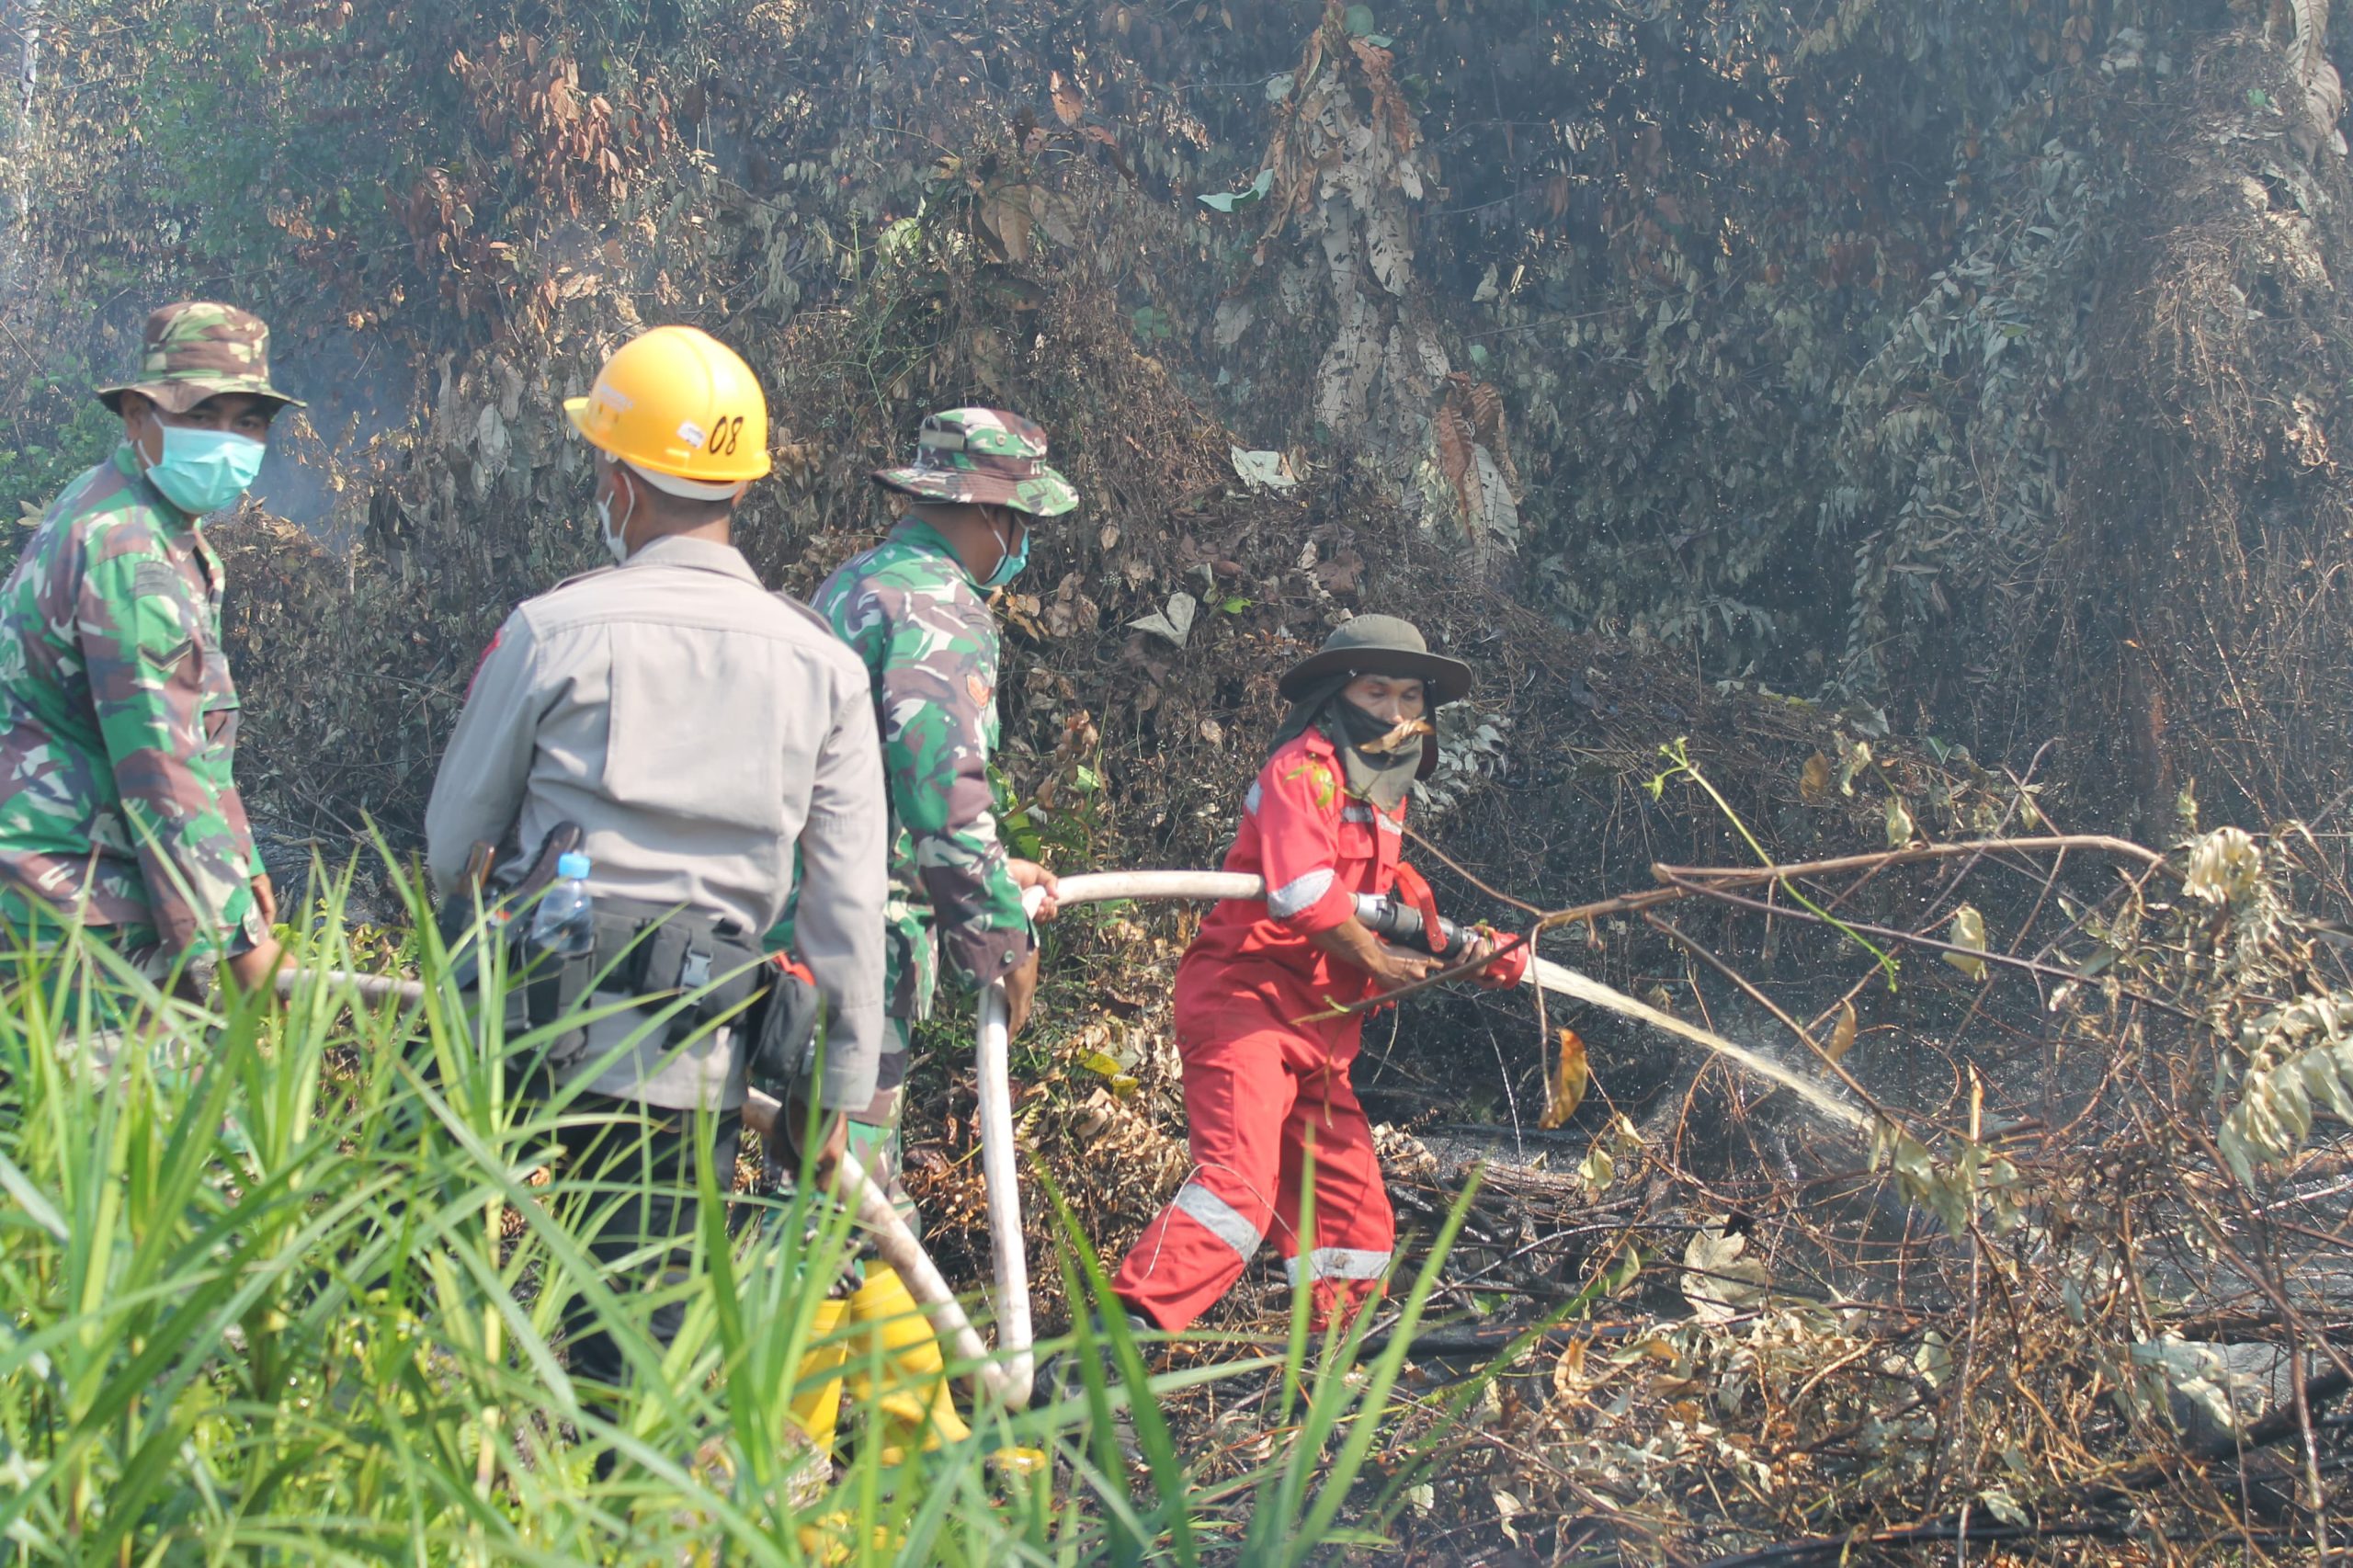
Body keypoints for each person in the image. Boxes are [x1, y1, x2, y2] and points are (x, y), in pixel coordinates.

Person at [423, 324, 889, 1458]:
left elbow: (452, 843)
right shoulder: (823, 665)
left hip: (518, 1036)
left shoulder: (552, 628)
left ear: (618, 482)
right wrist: (834, 1098)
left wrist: (461, 961)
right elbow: (845, 915)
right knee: (632, 1357)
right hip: (693, 1060)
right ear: (738, 486)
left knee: (426, 1295)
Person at [774, 406, 1074, 1457]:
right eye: (1020, 522)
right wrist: (1003, 937)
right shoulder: (938, 608)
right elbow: (943, 793)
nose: (1023, 547)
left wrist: (997, 867)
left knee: (863, 1185)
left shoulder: (851, 585)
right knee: (825, 1195)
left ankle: (920, 1438)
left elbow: (873, 786)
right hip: (851, 944)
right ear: (988, 514)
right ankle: (779, 1474)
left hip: (807, 918)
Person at [1108, 615, 1528, 1335]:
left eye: (1408, 698)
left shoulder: (1384, 798)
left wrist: (1474, 951)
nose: (1394, 715)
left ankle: (1329, 1372)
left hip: (1321, 1035)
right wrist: (1377, 961)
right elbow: (1303, 892)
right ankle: (1109, 1356)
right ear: (1338, 695)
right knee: (1235, 1192)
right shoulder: (1303, 770)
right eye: (1375, 691)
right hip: (1249, 1008)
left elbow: (1386, 905)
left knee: (1352, 1220)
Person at [0, 301, 297, 1070]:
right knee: (143, 1164)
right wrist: (238, 943)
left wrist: (243, 859)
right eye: (206, 414)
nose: (230, 443)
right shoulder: (132, 556)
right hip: (69, 911)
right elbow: (160, 770)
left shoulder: (126, 510)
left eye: (250, 423)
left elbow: (193, 736)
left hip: (65, 889)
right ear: (139, 415)